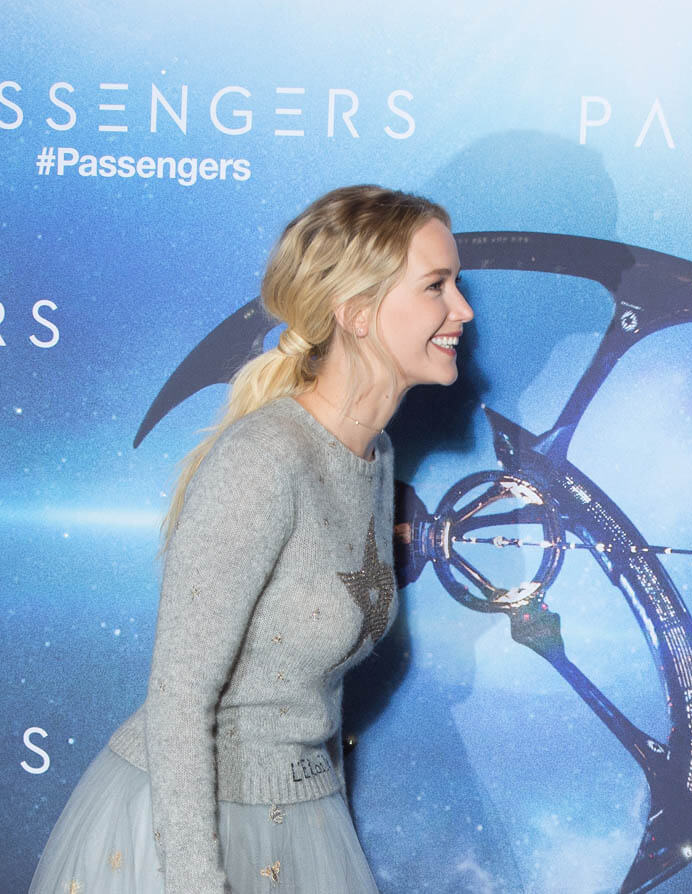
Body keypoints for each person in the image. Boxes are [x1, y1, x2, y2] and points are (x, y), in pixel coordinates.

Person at [30, 185, 474, 894]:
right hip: (185, 833)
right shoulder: (265, 458)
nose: (463, 310)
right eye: (436, 286)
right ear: (356, 311)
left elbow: (316, 695)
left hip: (299, 816)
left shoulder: (373, 454)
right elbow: (179, 699)